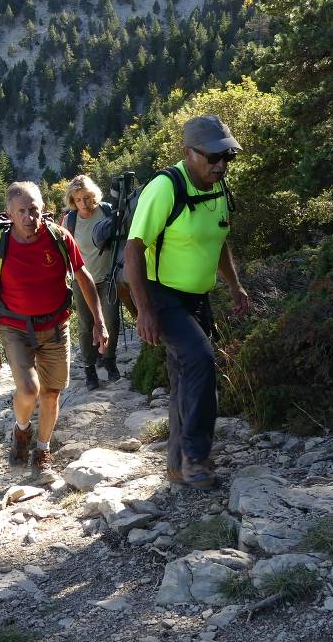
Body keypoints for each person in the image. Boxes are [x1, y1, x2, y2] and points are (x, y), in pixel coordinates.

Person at [123, 115, 250, 490]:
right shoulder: (165, 188)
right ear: (188, 153)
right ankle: (196, 457)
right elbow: (133, 250)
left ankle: (178, 465)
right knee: (201, 360)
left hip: (196, 297)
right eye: (212, 157)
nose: (221, 164)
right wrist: (144, 310)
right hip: (161, 294)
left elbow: (219, 240)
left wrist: (235, 286)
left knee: (185, 377)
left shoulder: (218, 187)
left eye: (227, 156)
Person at [0, 181, 109, 481]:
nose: (29, 216)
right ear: (10, 214)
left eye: (34, 209)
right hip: (15, 327)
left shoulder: (59, 238)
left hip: (54, 326)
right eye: (22, 211)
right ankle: (21, 430)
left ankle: (42, 450)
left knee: (51, 393)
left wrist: (99, 322)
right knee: (28, 389)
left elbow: (83, 276)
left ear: (43, 209)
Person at [61, 174, 121, 390]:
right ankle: (89, 369)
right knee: (87, 325)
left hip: (107, 278)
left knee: (111, 321)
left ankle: (109, 361)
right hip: (82, 281)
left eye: (86, 197)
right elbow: (64, 252)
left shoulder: (105, 211)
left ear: (93, 195)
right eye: (78, 200)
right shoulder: (70, 221)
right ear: (72, 201)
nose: (84, 203)